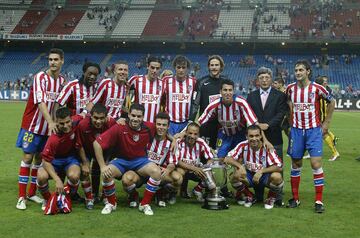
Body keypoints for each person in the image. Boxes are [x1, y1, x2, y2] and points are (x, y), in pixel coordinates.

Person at [15, 48, 66, 210]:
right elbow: (40, 102)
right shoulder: (40, 77)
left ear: (62, 61)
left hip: (48, 128)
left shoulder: (62, 81)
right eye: (50, 59)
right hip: (32, 126)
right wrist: (51, 122)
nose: (52, 62)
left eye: (56, 59)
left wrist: (55, 121)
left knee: (40, 159)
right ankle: (21, 197)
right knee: (28, 158)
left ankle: (31, 193)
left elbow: (58, 103)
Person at [93, 103, 161, 215]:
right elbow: (97, 143)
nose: (135, 119)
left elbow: (163, 133)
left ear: (143, 117)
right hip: (121, 161)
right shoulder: (119, 127)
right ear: (128, 114)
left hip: (140, 161)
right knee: (106, 173)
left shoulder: (149, 127)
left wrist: (174, 139)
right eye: (133, 115)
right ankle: (111, 203)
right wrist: (102, 166)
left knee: (156, 172)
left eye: (139, 116)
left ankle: (144, 204)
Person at [286, 60, 335, 213]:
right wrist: (290, 122)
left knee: (315, 164)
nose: (298, 73)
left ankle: (319, 201)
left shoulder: (317, 88)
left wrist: (326, 123)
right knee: (296, 164)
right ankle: (295, 198)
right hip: (296, 131)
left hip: (314, 130)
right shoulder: (290, 89)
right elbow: (287, 103)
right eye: (296, 70)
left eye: (301, 70)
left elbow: (331, 101)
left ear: (308, 71)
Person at [121, 112, 182, 208]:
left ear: (168, 126)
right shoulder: (146, 136)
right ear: (154, 124)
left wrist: (168, 170)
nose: (161, 127)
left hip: (158, 174)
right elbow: (135, 122)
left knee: (177, 179)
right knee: (126, 180)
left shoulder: (171, 143)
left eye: (164, 125)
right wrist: (123, 120)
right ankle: (133, 196)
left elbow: (172, 162)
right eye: (158, 124)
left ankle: (160, 193)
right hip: (140, 172)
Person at [36, 107, 86, 211]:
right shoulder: (53, 138)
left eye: (68, 122)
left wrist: (121, 119)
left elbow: (86, 114)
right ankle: (49, 199)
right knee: (41, 176)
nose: (66, 126)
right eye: (61, 123)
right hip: (53, 161)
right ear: (56, 123)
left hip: (70, 159)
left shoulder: (76, 121)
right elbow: (46, 161)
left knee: (74, 176)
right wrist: (57, 179)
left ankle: (66, 197)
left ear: (71, 119)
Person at [224, 125, 283, 209]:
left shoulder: (267, 147)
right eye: (251, 136)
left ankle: (270, 198)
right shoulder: (243, 145)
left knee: (277, 176)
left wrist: (261, 171)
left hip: (264, 177)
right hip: (249, 176)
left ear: (260, 136)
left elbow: (279, 166)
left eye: (256, 135)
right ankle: (250, 196)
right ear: (246, 136)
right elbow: (227, 159)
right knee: (235, 176)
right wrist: (240, 166)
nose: (254, 139)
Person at [198, 79, 259, 159]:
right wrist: (183, 133)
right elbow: (199, 122)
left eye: (230, 90)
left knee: (241, 159)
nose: (227, 93)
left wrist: (265, 140)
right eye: (225, 90)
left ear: (233, 91)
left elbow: (254, 123)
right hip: (224, 135)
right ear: (220, 91)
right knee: (219, 157)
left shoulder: (241, 102)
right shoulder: (214, 104)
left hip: (240, 134)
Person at [75, 103, 116, 208]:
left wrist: (107, 160)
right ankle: (90, 197)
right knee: (85, 171)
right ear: (90, 116)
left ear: (106, 117)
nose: (98, 121)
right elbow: (79, 145)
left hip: (104, 151)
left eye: (102, 118)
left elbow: (114, 144)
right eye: (96, 118)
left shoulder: (111, 123)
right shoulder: (82, 125)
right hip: (87, 151)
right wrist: (84, 162)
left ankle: (105, 195)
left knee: (106, 169)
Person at [190, 55, 228, 149]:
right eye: (212, 65)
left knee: (220, 153)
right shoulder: (201, 82)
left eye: (216, 65)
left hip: (222, 125)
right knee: (205, 152)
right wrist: (191, 121)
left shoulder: (226, 82)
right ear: (208, 67)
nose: (214, 67)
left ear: (221, 66)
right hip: (206, 125)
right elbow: (195, 104)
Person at [174, 122, 214, 202]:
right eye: (190, 133)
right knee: (179, 172)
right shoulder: (179, 142)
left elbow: (210, 158)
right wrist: (195, 168)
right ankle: (173, 194)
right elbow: (177, 161)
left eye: (195, 134)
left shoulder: (201, 142)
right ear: (185, 133)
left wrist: (206, 168)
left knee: (209, 174)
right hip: (183, 169)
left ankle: (199, 190)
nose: (192, 136)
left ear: (198, 135)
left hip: (196, 170)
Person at [163, 55, 196, 135]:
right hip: (170, 122)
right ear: (175, 67)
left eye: (183, 67)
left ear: (187, 68)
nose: (181, 70)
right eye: (179, 67)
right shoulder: (166, 81)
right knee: (169, 145)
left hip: (186, 122)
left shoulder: (193, 82)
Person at [128, 56, 164, 123]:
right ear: (147, 66)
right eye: (152, 67)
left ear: (160, 69)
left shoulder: (163, 84)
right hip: (137, 122)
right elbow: (122, 92)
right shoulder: (136, 80)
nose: (154, 71)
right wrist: (126, 111)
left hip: (154, 124)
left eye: (157, 68)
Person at [315, 76, 340, 161]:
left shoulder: (322, 92)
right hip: (319, 116)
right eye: (324, 81)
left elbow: (329, 103)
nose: (326, 83)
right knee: (316, 134)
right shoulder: (323, 90)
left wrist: (325, 119)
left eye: (326, 81)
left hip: (321, 116)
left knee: (323, 134)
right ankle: (333, 138)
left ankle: (335, 152)